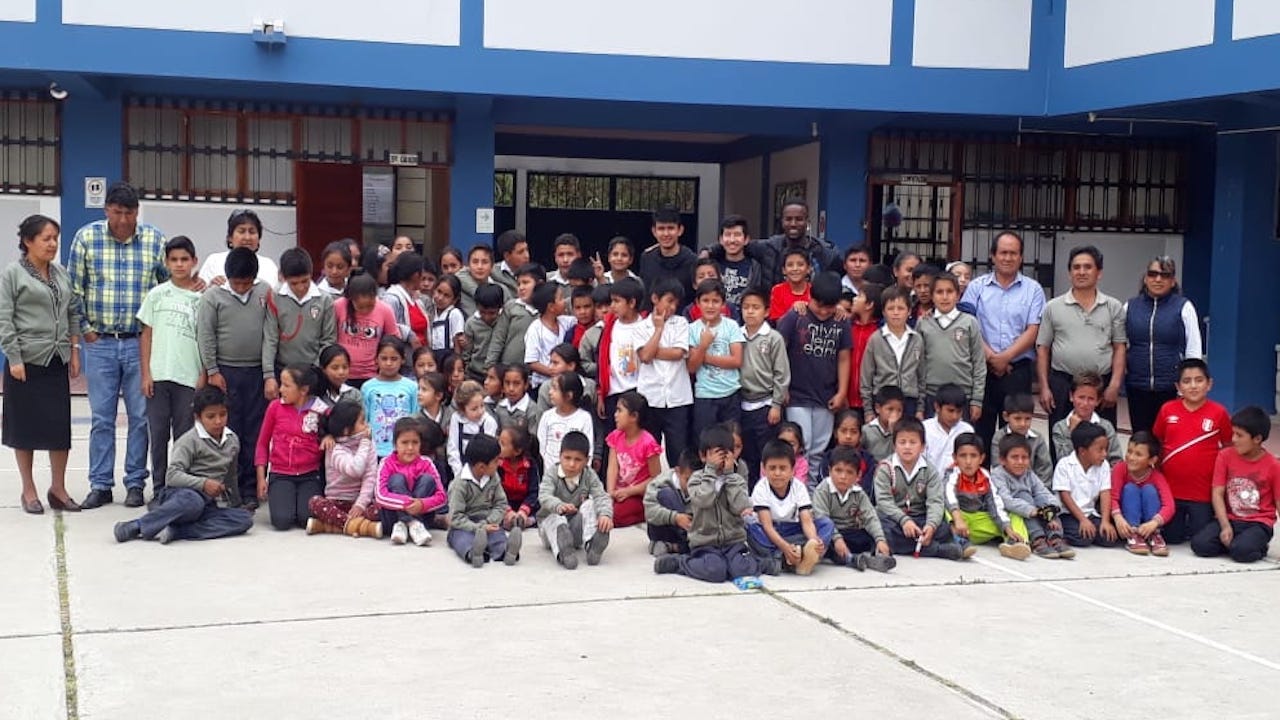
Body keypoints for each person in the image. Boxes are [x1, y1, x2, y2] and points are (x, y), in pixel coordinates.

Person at [68, 182, 170, 509]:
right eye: (117, 212)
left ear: (137, 212)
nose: (123, 219)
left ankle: (136, 482)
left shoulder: (154, 240)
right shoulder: (86, 238)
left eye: (129, 213)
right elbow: (74, 291)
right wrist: (85, 331)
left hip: (140, 344)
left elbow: (168, 288)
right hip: (100, 344)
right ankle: (100, 484)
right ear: (106, 210)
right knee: (101, 417)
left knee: (140, 417)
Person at [1, 215, 84, 514]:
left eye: (55, 239)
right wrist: (13, 357)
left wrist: (74, 351)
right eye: (46, 239)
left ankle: (58, 488)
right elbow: (4, 318)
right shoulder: (12, 274)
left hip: (56, 359)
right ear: (28, 241)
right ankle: (28, 490)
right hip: (25, 361)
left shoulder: (61, 273)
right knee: (24, 427)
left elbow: (73, 311)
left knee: (58, 427)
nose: (53, 244)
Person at [112, 386, 254, 544]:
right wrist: (204, 483)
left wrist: (235, 503)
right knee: (193, 502)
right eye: (211, 416)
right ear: (198, 417)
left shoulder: (232, 440)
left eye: (223, 414)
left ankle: (177, 530)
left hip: (207, 503)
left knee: (244, 519)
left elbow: (230, 475)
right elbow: (172, 476)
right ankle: (137, 525)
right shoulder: (189, 441)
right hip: (182, 494)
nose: (218, 421)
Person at [197, 247, 273, 508]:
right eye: (236, 282)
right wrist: (213, 371)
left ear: (255, 278)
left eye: (246, 282)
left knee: (254, 430)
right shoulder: (213, 296)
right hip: (226, 373)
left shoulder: (264, 293)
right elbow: (205, 336)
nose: (241, 287)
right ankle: (230, 487)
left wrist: (267, 374)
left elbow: (269, 334)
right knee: (229, 431)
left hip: (255, 372)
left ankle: (250, 489)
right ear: (227, 277)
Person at [961, 232, 1045, 451]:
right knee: (982, 431)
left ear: (1021, 257)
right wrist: (991, 357)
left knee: (1015, 434)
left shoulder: (1033, 289)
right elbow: (968, 325)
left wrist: (1006, 357)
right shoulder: (976, 288)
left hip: (1018, 370)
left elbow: (1034, 329)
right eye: (1003, 253)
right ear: (993, 256)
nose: (1008, 258)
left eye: (1013, 253)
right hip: (982, 370)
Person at [653, 426, 763, 581]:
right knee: (715, 571)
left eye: (725, 454)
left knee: (741, 570)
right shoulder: (697, 479)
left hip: (733, 541)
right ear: (703, 456)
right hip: (705, 542)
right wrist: (710, 471)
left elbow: (741, 506)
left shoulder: (736, 479)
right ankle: (680, 563)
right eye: (716, 455)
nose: (721, 460)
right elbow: (703, 500)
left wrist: (730, 475)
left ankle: (761, 563)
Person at [137, 235, 202, 499]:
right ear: (166, 262)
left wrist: (203, 373)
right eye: (174, 260)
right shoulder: (157, 295)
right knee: (159, 433)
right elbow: (147, 335)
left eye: (184, 259)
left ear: (194, 262)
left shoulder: (201, 298)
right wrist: (146, 373)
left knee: (185, 436)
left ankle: (182, 487)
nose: (179, 265)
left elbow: (205, 339)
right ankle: (160, 488)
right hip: (160, 375)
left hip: (189, 377)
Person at [1037, 245, 1126, 429]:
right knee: (1061, 439)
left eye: (1088, 267)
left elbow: (1119, 347)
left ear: (1099, 272)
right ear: (1070, 272)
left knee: (1101, 442)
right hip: (1063, 384)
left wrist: (1115, 384)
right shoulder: (1053, 307)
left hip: (1101, 384)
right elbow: (1043, 349)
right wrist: (1044, 387)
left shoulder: (1113, 306)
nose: (1081, 272)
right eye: (1076, 267)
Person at [778, 272, 850, 485]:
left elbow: (844, 358)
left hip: (826, 396)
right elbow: (779, 351)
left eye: (830, 307)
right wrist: (782, 387)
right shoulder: (796, 316)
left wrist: (842, 392)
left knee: (818, 448)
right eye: (819, 306)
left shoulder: (841, 321)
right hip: (797, 394)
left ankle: (811, 492)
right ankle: (796, 490)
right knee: (802, 445)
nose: (824, 311)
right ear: (810, 296)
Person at [1152, 359, 1232, 544]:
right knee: (1172, 537)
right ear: (1178, 386)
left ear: (1209, 383)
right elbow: (1157, 442)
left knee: (1200, 537)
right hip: (1171, 493)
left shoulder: (1219, 412)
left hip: (1203, 494)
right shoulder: (1167, 410)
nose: (1193, 386)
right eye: (1187, 381)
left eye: (1199, 380)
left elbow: (1228, 448)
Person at [1124, 256, 1203, 434]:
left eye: (1164, 275)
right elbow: (1119, 344)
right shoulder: (1130, 306)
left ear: (1173, 281)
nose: (1158, 279)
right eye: (1153, 274)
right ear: (1145, 278)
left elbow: (1193, 349)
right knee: (1141, 439)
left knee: (1169, 438)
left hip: (1170, 388)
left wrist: (1189, 385)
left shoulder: (1183, 307)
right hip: (1137, 387)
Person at [1191, 406, 1279, 564]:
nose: (1233, 439)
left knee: (1242, 553)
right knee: (1200, 545)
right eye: (1233, 433)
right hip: (1230, 519)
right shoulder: (1225, 456)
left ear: (1257, 439)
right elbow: (1217, 493)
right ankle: (1238, 543)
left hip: (1258, 523)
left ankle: (1252, 546)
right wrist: (1225, 526)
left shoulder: (1273, 465)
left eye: (1240, 435)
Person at [874, 418, 971, 560]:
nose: (907, 447)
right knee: (881, 530)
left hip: (920, 518)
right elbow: (883, 502)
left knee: (943, 527)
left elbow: (936, 501)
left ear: (923, 446)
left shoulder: (930, 470)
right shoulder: (885, 468)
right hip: (894, 519)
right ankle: (937, 549)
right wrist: (904, 520)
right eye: (902, 442)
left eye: (913, 442)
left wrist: (931, 526)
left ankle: (923, 542)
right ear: (894, 445)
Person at [747, 439, 836, 575]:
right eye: (772, 468)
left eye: (783, 468)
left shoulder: (798, 487)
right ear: (764, 469)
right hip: (770, 533)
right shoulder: (761, 488)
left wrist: (814, 540)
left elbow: (806, 520)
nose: (777, 473)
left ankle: (804, 555)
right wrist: (786, 548)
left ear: (792, 470)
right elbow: (767, 526)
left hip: (792, 529)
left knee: (826, 524)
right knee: (750, 527)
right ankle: (790, 556)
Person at [255, 364, 326, 530]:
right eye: (281, 384)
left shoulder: (320, 409)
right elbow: (262, 444)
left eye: (286, 385)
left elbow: (334, 431)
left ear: (303, 390)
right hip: (281, 474)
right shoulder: (275, 407)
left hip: (309, 474)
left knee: (306, 519)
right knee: (282, 521)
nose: (281, 389)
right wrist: (260, 478)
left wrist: (329, 435)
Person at [716, 197, 840, 288]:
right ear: (782, 221)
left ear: (807, 222)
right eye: (788, 219)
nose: (793, 224)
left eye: (799, 219)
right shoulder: (767, 248)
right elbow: (735, 244)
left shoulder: (823, 253)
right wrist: (709, 251)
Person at [943, 434, 1032, 560]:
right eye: (963, 456)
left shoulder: (985, 476)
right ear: (955, 457)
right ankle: (959, 543)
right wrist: (958, 519)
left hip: (979, 524)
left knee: (1013, 515)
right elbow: (948, 494)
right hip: (960, 523)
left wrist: (1006, 527)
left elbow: (994, 503)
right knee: (943, 508)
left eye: (973, 456)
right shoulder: (952, 474)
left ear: (981, 458)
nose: (968, 462)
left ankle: (1015, 543)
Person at [636, 278, 694, 466]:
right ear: (655, 298)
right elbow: (644, 356)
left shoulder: (681, 323)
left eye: (676, 303)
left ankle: (679, 491)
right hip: (650, 397)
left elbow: (678, 353)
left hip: (677, 398)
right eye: (669, 300)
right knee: (650, 450)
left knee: (677, 451)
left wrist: (652, 351)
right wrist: (658, 329)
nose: (672, 306)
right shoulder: (641, 326)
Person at [737, 288, 790, 488]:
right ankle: (750, 494)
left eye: (756, 307)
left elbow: (781, 373)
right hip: (742, 403)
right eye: (746, 307)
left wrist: (776, 404)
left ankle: (767, 493)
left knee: (765, 453)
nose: (750, 312)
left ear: (766, 311)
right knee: (747, 453)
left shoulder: (773, 337)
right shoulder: (736, 334)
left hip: (766, 403)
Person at [537, 431, 614, 569]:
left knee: (590, 504)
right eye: (567, 458)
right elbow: (544, 496)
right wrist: (559, 505)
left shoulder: (589, 475)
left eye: (578, 460)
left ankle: (592, 546)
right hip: (550, 530)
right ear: (560, 456)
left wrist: (605, 515)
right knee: (556, 518)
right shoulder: (552, 473)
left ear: (586, 460)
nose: (572, 464)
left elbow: (601, 495)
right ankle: (563, 553)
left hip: (574, 528)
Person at [990, 434, 1075, 559]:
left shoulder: (1029, 474)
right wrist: (1033, 511)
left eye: (1024, 458)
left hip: (1035, 511)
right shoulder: (998, 475)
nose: (1020, 462)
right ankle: (1038, 539)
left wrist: (1051, 509)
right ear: (1003, 459)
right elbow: (1006, 500)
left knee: (1044, 500)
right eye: (1015, 457)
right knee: (1023, 495)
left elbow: (1043, 491)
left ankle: (1055, 537)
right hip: (1016, 514)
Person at [306, 400, 382, 538]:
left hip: (359, 503)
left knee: (383, 506)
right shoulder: (334, 448)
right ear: (347, 430)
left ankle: (328, 526)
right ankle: (358, 526)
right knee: (315, 502)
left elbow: (370, 476)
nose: (367, 426)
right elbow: (355, 469)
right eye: (362, 422)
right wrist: (364, 443)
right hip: (336, 502)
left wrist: (360, 504)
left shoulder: (369, 444)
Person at [813, 446, 895, 571]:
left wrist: (880, 539)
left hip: (850, 532)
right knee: (825, 544)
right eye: (838, 470)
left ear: (858, 475)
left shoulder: (858, 493)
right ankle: (852, 560)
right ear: (830, 471)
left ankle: (878, 557)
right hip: (831, 534)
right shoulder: (822, 490)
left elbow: (870, 517)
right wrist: (837, 539)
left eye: (849, 472)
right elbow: (821, 517)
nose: (843, 476)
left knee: (883, 530)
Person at [919, 272, 985, 420]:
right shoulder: (923, 323)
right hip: (931, 395)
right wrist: (920, 401)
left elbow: (979, 363)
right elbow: (918, 362)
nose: (944, 297)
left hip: (963, 395)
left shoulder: (969, 322)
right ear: (932, 295)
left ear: (958, 295)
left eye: (949, 291)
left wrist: (977, 400)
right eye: (939, 292)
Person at [448, 434, 519, 567]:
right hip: (464, 525)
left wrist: (489, 522)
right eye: (496, 461)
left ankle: (506, 551)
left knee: (497, 535)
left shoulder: (493, 477)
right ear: (481, 467)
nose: (500, 463)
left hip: (487, 520)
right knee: (462, 539)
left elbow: (501, 503)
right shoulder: (460, 485)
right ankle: (473, 553)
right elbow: (455, 518)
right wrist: (478, 528)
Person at [378, 417, 447, 546]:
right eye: (404, 442)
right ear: (395, 444)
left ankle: (413, 524)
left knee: (427, 480)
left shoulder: (427, 463)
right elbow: (380, 495)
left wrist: (422, 504)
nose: (410, 447)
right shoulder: (386, 463)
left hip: (422, 518)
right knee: (397, 479)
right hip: (392, 521)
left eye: (415, 442)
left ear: (421, 444)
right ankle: (409, 523)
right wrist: (407, 504)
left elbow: (442, 497)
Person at [265, 248, 337, 370]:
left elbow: (328, 340)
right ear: (283, 277)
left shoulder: (324, 300)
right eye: (294, 283)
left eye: (305, 281)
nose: (300, 287)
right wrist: (269, 373)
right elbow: (270, 337)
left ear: (311, 273)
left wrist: (316, 366)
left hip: (313, 369)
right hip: (282, 368)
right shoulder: (275, 296)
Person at [687, 280, 745, 428]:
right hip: (705, 395)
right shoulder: (692, 329)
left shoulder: (731, 326)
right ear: (697, 303)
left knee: (731, 440)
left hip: (731, 392)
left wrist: (703, 357)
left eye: (715, 301)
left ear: (723, 304)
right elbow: (692, 367)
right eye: (705, 301)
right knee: (705, 441)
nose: (710, 306)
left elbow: (737, 360)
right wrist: (704, 345)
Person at [1053, 422, 1120, 548]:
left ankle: (1090, 529)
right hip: (1068, 514)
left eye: (1106, 449)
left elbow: (1105, 492)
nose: (1104, 454)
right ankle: (1062, 533)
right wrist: (1082, 520)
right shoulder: (1065, 465)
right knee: (1083, 538)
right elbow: (1065, 496)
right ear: (1082, 451)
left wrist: (1105, 521)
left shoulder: (1103, 465)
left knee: (1109, 538)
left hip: (1090, 513)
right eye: (1100, 450)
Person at [860, 286, 923, 419]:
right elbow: (866, 376)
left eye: (900, 308)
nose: (895, 313)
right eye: (890, 308)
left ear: (909, 311)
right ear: (883, 312)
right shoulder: (875, 339)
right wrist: (868, 410)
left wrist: (920, 408)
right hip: (883, 399)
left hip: (909, 399)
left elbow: (921, 375)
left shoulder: (916, 339)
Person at [1110, 432, 1175, 556]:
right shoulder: (1120, 469)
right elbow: (1113, 497)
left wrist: (1154, 523)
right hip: (1126, 522)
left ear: (1152, 460)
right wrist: (1118, 518)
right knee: (1130, 488)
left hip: (1150, 523)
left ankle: (1154, 534)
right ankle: (1133, 535)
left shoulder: (1157, 476)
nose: (1131, 457)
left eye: (1138, 454)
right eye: (1129, 451)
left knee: (1149, 489)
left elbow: (1169, 506)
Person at [604, 390, 662, 528]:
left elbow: (656, 479)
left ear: (634, 416)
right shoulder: (616, 436)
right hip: (619, 493)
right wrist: (610, 493)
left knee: (616, 514)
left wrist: (629, 492)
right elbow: (612, 467)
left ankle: (648, 512)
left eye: (619, 411)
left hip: (639, 494)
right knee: (600, 507)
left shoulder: (648, 443)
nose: (615, 415)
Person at [333, 274, 400, 387]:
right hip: (342, 373)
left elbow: (393, 340)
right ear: (351, 299)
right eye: (360, 307)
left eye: (369, 306)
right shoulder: (339, 306)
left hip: (371, 374)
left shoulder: (385, 310)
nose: (365, 310)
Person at [362, 337, 419, 459]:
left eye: (394, 359)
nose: (389, 363)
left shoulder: (412, 387)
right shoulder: (368, 387)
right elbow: (364, 421)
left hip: (404, 451)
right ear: (376, 359)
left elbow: (415, 418)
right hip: (375, 451)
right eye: (384, 358)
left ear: (403, 359)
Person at [1049, 372, 1123, 466]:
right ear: (1071, 396)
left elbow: (1117, 461)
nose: (1085, 403)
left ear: (1098, 401)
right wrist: (1073, 433)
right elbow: (1064, 460)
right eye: (1081, 397)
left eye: (1091, 399)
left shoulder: (1106, 427)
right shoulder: (1060, 427)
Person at [198, 208, 279, 288]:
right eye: (241, 231)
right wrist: (210, 287)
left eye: (252, 232)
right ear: (230, 237)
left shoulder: (268, 265)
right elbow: (198, 295)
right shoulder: (214, 261)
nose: (247, 237)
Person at [485, 262, 542, 374]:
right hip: (508, 370)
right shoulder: (511, 307)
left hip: (536, 373)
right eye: (519, 284)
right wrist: (490, 367)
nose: (521, 288)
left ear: (540, 284)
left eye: (526, 283)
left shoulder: (547, 310)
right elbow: (498, 338)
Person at [644, 447, 700, 556]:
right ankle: (671, 544)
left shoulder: (700, 487)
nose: (691, 486)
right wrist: (675, 517)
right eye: (687, 480)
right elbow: (649, 513)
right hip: (664, 528)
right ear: (678, 471)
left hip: (689, 530)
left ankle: (675, 547)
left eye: (696, 481)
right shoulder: (659, 483)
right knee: (666, 494)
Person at [536, 372, 595, 473]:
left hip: (576, 475)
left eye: (555, 389)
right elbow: (541, 445)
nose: (550, 392)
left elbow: (588, 449)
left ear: (568, 395)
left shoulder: (584, 418)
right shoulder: (547, 416)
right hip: (551, 475)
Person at [638, 206, 697, 302]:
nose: (666, 234)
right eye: (661, 228)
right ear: (654, 231)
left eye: (671, 228)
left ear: (680, 230)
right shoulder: (646, 258)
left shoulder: (693, 261)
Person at [991, 394, 1053, 486]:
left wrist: (1040, 491)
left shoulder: (1037, 438)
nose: (1023, 424)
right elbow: (998, 466)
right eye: (1017, 418)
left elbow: (1045, 468)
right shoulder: (999, 438)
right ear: (1006, 416)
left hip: (1035, 489)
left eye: (1027, 419)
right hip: (1006, 488)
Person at [524, 282, 575, 389]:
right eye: (561, 298)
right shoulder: (535, 329)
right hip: (543, 384)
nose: (564, 302)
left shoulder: (566, 322)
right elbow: (532, 361)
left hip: (565, 383)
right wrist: (553, 372)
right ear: (551, 307)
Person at [446, 380, 499, 479]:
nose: (480, 411)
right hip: (460, 472)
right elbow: (453, 449)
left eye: (482, 406)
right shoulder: (456, 419)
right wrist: (459, 474)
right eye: (474, 409)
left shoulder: (488, 421)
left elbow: (490, 453)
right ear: (462, 409)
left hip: (484, 472)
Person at [846, 282, 883, 413]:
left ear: (869, 305)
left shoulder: (879, 333)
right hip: (846, 398)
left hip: (870, 400)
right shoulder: (848, 327)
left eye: (859, 296)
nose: (854, 299)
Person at [711, 215, 763, 310]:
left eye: (737, 235)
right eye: (727, 235)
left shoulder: (755, 267)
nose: (732, 240)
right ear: (721, 240)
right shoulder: (712, 265)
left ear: (746, 239)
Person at [381, 252, 431, 349]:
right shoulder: (392, 298)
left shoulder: (417, 300)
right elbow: (387, 327)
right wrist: (409, 335)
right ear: (416, 275)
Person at [922, 384, 975, 473]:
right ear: (937, 407)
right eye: (950, 411)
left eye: (959, 412)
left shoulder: (967, 430)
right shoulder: (925, 429)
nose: (955, 416)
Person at [496, 424, 540, 529]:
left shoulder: (530, 465)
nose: (498, 447)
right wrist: (508, 511)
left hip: (525, 503)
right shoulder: (497, 464)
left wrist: (523, 511)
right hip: (504, 503)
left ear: (517, 451)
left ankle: (525, 521)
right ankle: (508, 521)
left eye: (502, 444)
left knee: (543, 510)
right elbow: (497, 492)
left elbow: (534, 492)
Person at [462, 283, 503, 381]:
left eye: (492, 313)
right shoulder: (471, 323)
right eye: (482, 312)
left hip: (499, 372)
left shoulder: (504, 321)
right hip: (476, 372)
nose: (487, 317)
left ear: (500, 307)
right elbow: (467, 351)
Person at [862, 385, 904, 463]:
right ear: (878, 408)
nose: (895, 414)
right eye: (890, 409)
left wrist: (894, 432)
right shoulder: (866, 430)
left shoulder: (902, 432)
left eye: (899, 410)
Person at [768, 248, 811, 321]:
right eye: (790, 265)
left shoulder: (815, 291)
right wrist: (793, 311)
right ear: (784, 270)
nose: (795, 268)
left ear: (808, 269)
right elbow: (778, 324)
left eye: (800, 264)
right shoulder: (777, 290)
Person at [490, 229, 529, 298]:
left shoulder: (533, 273)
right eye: (520, 252)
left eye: (527, 250)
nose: (527, 256)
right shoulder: (492, 271)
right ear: (507, 256)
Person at [493, 364, 533, 431]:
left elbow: (533, 439)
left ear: (526, 385)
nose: (511, 388)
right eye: (507, 383)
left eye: (516, 383)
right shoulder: (500, 406)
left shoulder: (532, 410)